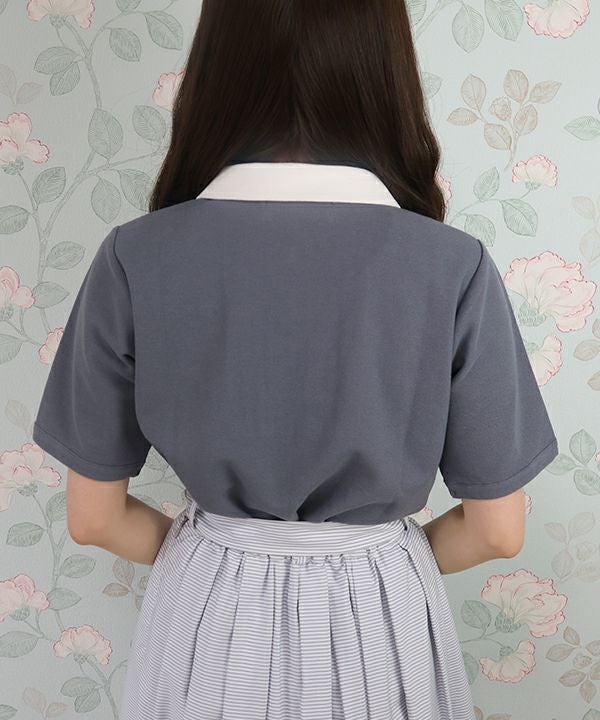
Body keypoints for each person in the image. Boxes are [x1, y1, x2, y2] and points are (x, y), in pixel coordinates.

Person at [32, 1, 559, 718]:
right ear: (385, 72)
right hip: (380, 617)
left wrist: (219, 555)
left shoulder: (134, 256)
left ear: (216, 70)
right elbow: (498, 529)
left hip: (206, 618)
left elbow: (93, 518)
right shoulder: (453, 266)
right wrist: (378, 562)